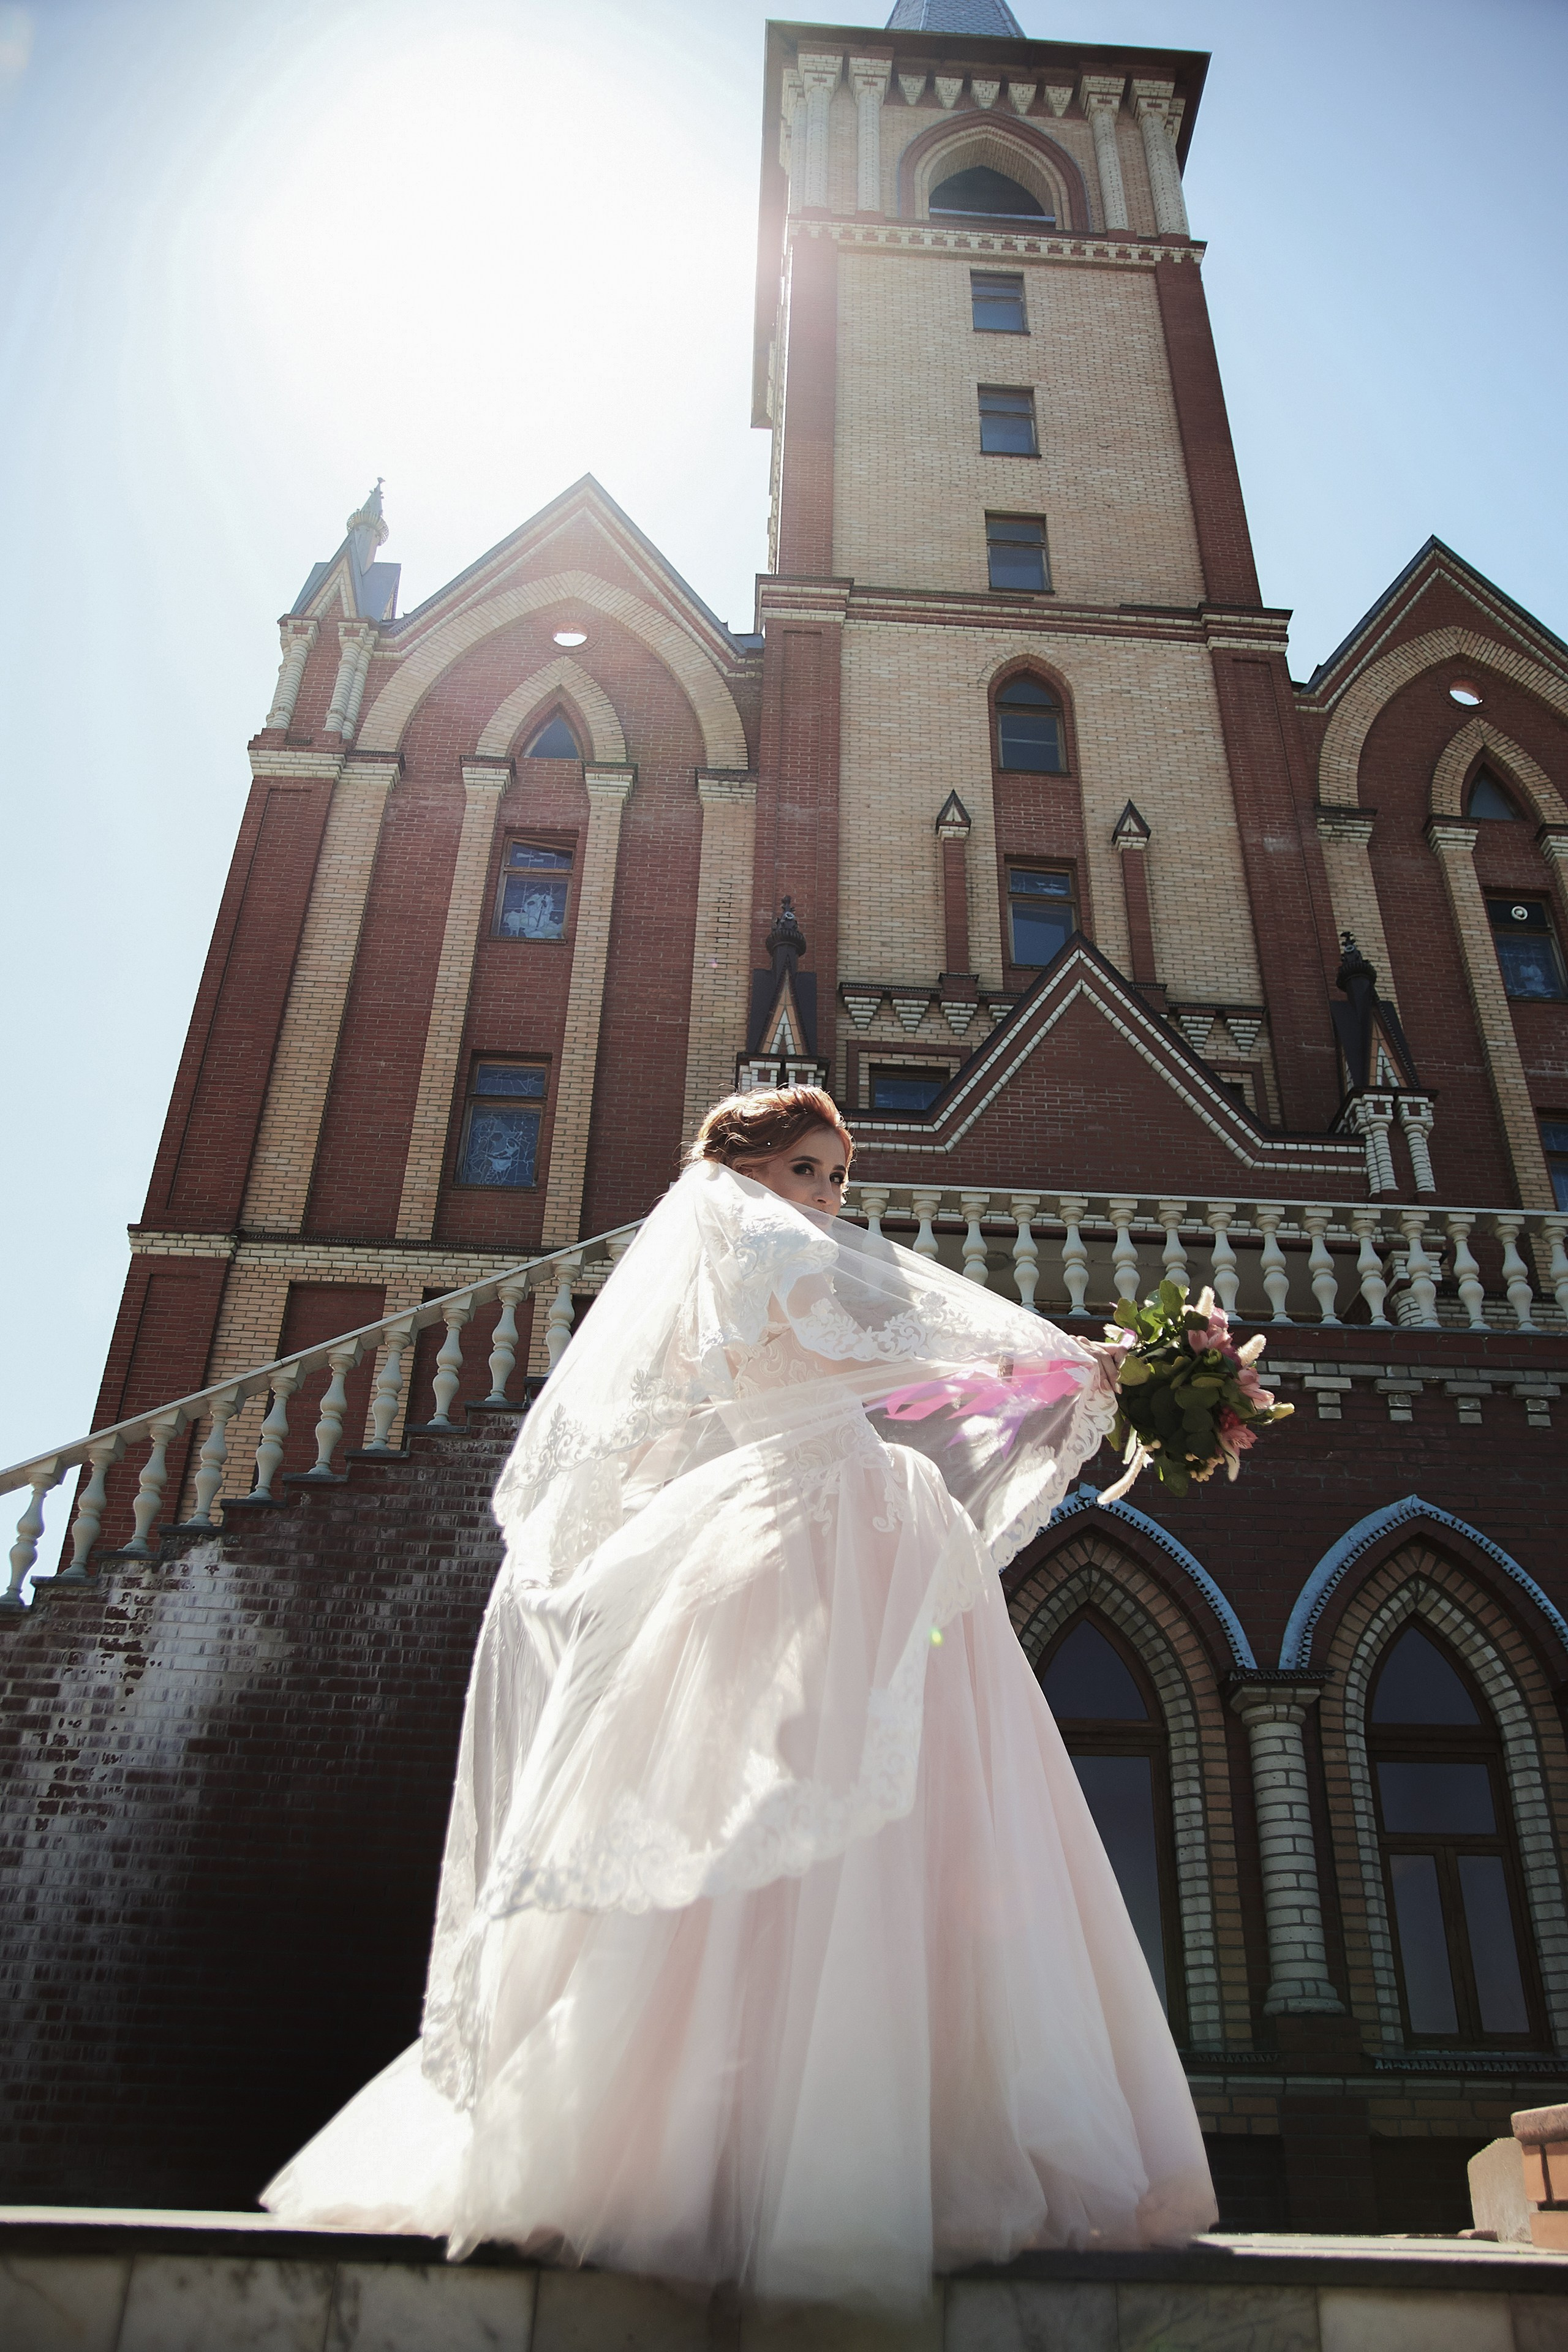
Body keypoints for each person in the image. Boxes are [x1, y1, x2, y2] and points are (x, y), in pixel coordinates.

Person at [262, 1086, 1217, 2306]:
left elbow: (860, 1372)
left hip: (809, 1518)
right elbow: (849, 1355)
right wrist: (1044, 1362)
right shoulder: (753, 1237)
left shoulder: (725, 1255)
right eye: (812, 1169)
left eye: (836, 1179)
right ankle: (782, 2157)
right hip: (807, 1526)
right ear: (748, 1163)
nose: (828, 1197)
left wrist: (1026, 1376)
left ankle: (742, 2144)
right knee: (799, 1820)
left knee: (801, 1826)